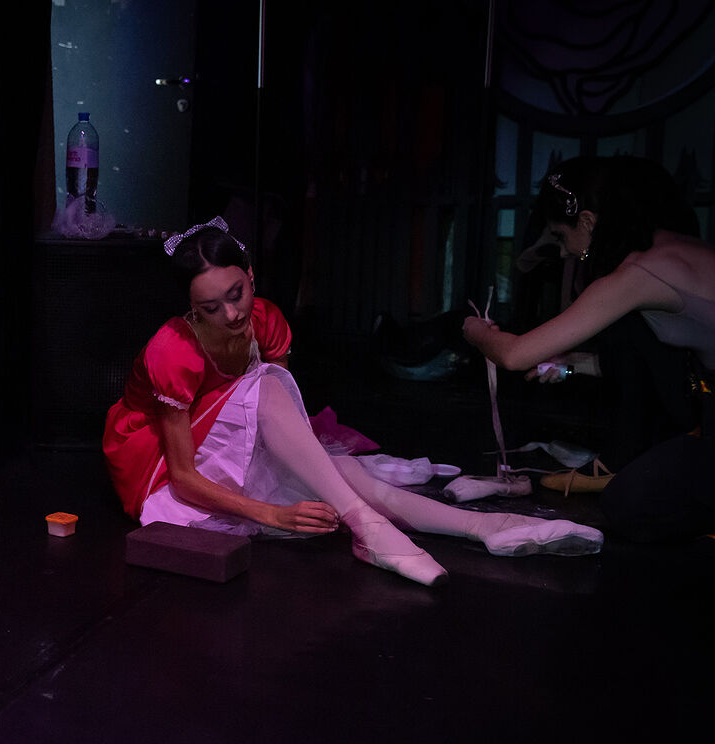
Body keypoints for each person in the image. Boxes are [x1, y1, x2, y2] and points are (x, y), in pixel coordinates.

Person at [103, 217, 602, 587]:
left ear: (251, 275)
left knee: (342, 473)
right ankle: (369, 528)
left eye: (236, 294)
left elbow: (282, 418)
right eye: (211, 308)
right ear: (192, 309)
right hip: (159, 463)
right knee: (279, 401)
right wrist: (271, 513)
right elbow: (184, 477)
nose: (232, 314)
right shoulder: (174, 348)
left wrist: (311, 471)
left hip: (231, 433)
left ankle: (485, 526)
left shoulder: (267, 319)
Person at [463, 158, 715, 542]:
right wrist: (570, 366)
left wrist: (473, 330)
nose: (564, 252)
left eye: (560, 236)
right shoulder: (667, 248)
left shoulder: (638, 274)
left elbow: (514, 355)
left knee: (630, 504)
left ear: (587, 222)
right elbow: (649, 360)